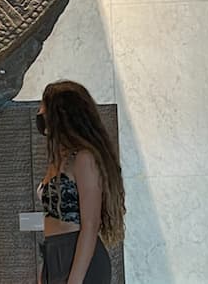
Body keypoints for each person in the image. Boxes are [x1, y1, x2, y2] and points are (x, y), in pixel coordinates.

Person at [35, 80, 125, 284]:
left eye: (44, 108)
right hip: (53, 252)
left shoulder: (84, 158)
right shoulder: (59, 159)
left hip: (80, 256)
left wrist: (75, 280)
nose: (40, 113)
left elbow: (90, 224)